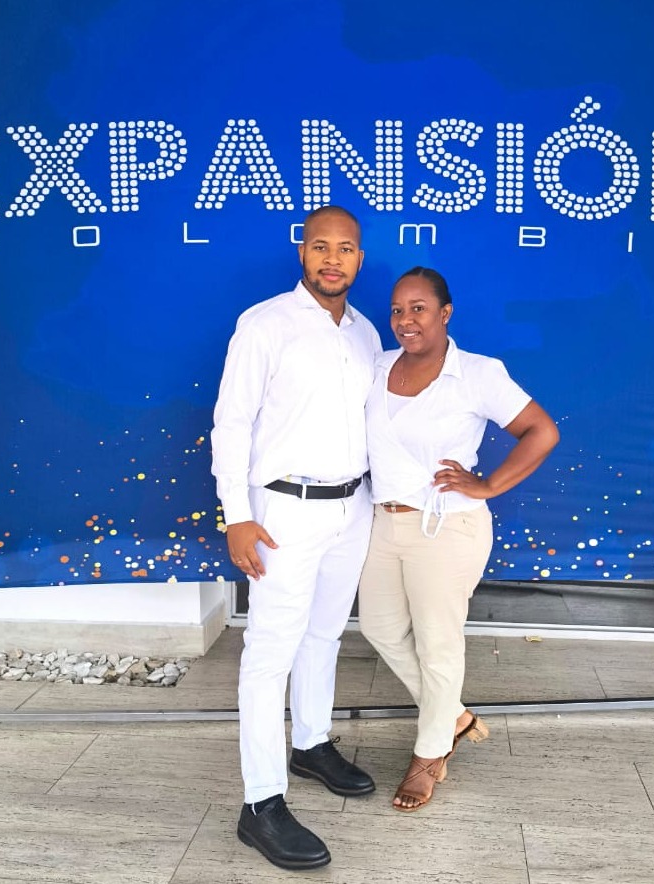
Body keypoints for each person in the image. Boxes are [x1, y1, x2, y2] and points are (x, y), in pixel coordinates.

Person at [210, 206, 382, 870]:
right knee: (269, 653)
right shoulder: (265, 324)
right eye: (320, 247)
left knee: (324, 634)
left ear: (359, 258)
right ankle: (260, 804)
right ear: (302, 253)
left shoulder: (367, 333)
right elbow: (231, 423)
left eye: (345, 249)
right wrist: (237, 514)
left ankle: (310, 744)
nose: (332, 259)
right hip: (283, 510)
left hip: (351, 506)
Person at [358, 266, 559, 812]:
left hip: (447, 526)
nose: (405, 320)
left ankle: (429, 756)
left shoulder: (477, 373)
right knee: (379, 628)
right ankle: (453, 716)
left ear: (445, 313)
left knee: (437, 644)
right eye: (397, 310)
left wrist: (489, 484)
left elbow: (542, 431)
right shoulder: (377, 366)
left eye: (418, 308)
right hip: (384, 520)